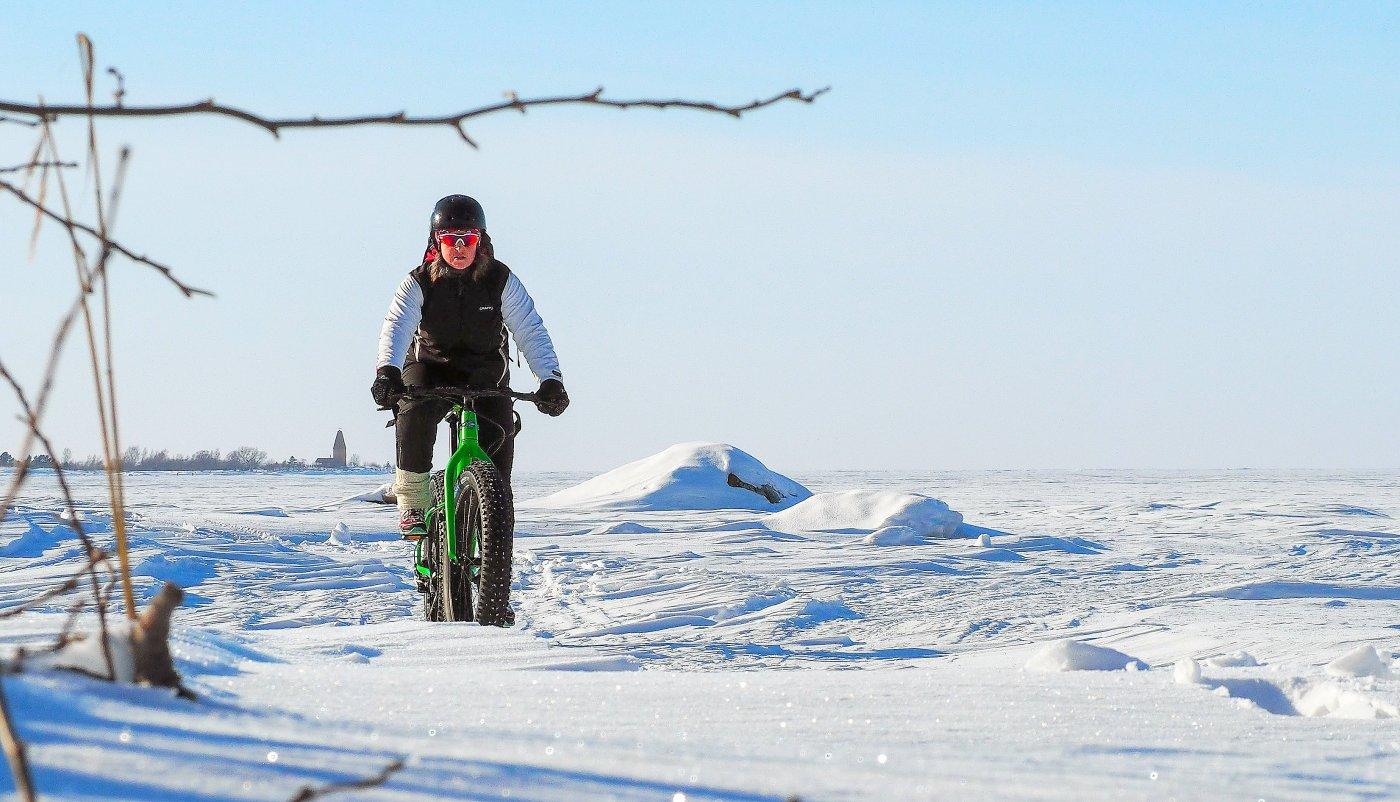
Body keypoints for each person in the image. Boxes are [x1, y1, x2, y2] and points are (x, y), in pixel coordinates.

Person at [372, 195, 568, 538]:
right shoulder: (418, 283)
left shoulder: (500, 280)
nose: (459, 247)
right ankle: (414, 502)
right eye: (450, 239)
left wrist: (550, 379)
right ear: (437, 241)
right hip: (430, 368)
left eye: (468, 239)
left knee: (498, 431)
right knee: (413, 413)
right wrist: (387, 371)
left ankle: (494, 519)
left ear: (481, 240)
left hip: (484, 373)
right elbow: (397, 325)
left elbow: (529, 329)